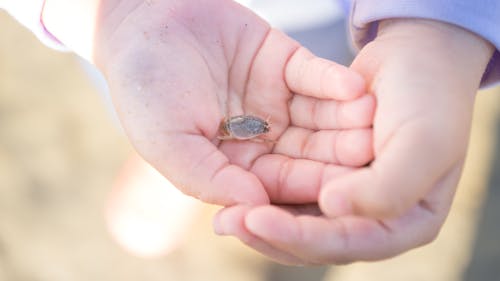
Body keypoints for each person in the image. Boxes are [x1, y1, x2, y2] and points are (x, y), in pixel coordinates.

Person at [1, 0, 499, 265]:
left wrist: (435, 27)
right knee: (151, 82)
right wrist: (105, 13)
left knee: (314, 73)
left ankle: (194, 149)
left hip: (332, 13)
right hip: (149, 23)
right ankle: (178, 151)